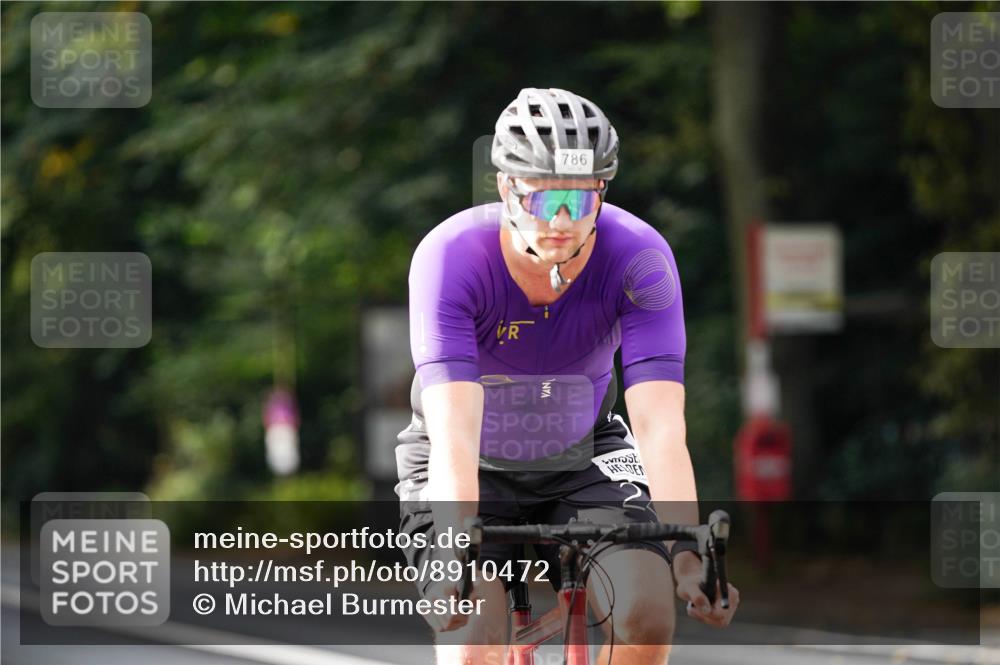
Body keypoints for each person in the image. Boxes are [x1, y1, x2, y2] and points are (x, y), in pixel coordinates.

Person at [395, 87, 739, 664]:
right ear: (507, 189)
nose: (559, 221)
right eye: (542, 199)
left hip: (584, 456)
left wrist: (685, 555)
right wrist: (454, 553)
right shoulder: (450, 256)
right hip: (466, 458)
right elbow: (453, 433)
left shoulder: (640, 259)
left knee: (647, 615)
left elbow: (658, 427)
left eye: (578, 204)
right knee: (473, 630)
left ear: (602, 195)